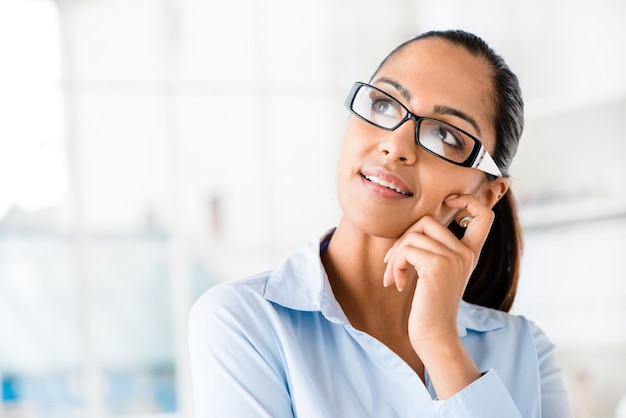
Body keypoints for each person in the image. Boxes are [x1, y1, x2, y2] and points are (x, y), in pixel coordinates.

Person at [188, 29, 573, 417]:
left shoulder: (526, 352)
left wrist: (440, 343)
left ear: (487, 194)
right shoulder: (242, 322)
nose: (396, 146)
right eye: (385, 105)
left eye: (445, 135)